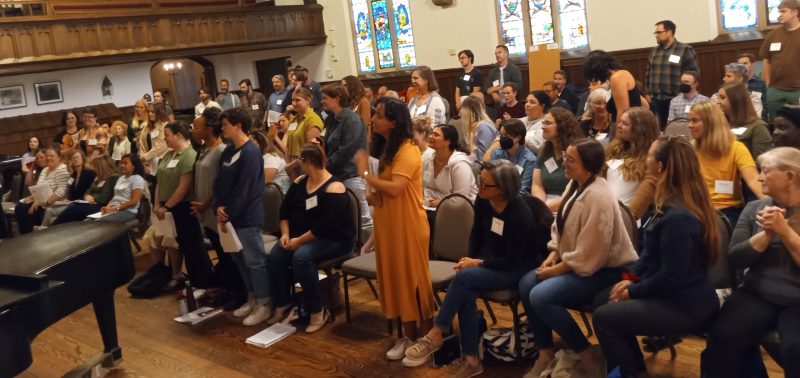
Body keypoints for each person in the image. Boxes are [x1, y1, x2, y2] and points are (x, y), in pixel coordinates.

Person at [405, 160, 548, 377]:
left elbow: (513, 259)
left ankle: (436, 333)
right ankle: (472, 360)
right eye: (479, 179)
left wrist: (478, 264)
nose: (479, 185)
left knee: (464, 279)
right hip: (493, 262)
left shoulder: (519, 214)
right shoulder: (483, 201)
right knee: (466, 288)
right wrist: (471, 258)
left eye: (485, 183)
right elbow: (476, 234)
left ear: (502, 188)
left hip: (518, 268)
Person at [594, 136, 721, 377]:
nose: (646, 160)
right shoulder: (666, 202)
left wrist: (632, 291)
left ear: (660, 167)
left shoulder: (678, 217)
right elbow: (648, 256)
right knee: (604, 298)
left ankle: (628, 372)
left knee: (604, 317)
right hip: (669, 292)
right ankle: (634, 369)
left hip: (686, 304)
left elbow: (672, 278)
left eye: (650, 155)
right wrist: (631, 278)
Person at [519, 138, 638, 378]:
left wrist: (553, 271)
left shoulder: (599, 196)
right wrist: (553, 254)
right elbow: (561, 228)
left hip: (605, 270)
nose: (565, 163)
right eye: (566, 158)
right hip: (578, 263)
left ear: (589, 165)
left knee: (540, 295)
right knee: (526, 283)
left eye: (571, 160)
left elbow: (590, 256)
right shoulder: (575, 184)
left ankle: (585, 353)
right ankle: (545, 353)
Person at [702, 146, 800, 378]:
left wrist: (784, 231)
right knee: (723, 338)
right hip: (757, 294)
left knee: (795, 349)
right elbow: (735, 257)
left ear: (790, 177)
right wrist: (766, 235)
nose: (758, 177)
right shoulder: (754, 208)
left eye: (765, 171)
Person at [354, 97, 435, 366]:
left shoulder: (409, 150)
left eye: (379, 115)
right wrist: (371, 192)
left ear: (394, 121)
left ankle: (424, 340)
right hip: (389, 223)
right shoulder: (390, 148)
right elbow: (382, 187)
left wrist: (365, 175)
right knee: (396, 280)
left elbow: (397, 188)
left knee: (413, 284)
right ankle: (407, 336)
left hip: (409, 225)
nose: (373, 119)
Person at [266, 143, 356, 333]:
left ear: (307, 162)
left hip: (335, 239)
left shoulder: (335, 187)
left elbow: (326, 226)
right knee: (275, 256)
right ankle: (283, 303)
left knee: (302, 257)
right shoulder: (300, 182)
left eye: (300, 161)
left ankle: (317, 310)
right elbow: (285, 211)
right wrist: (285, 234)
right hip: (302, 236)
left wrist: (298, 241)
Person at [214, 108, 270, 326]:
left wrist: (229, 212)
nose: (222, 128)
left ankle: (265, 302)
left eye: (225, 124)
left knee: (254, 261)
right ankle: (252, 297)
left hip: (246, 216)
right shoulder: (228, 151)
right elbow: (218, 183)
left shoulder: (251, 152)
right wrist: (218, 205)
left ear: (238, 125)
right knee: (239, 259)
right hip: (228, 216)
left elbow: (246, 189)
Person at [191, 107, 245, 311]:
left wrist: (206, 204)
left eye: (197, 127)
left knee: (228, 256)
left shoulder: (222, 151)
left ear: (209, 128)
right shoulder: (204, 149)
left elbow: (221, 183)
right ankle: (226, 289)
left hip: (216, 211)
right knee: (222, 256)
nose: (193, 131)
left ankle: (238, 293)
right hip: (205, 212)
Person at [688, 101, 765, 227]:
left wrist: (771, 204)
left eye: (695, 121)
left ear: (710, 123)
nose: (690, 125)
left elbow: (753, 180)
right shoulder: (690, 149)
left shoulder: (737, 148)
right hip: (696, 208)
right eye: (689, 120)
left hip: (727, 211)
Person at [154, 121, 211, 290]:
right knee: (180, 245)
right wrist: (157, 203)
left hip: (181, 207)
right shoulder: (167, 155)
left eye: (167, 135)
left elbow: (184, 186)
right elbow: (159, 182)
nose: (165, 139)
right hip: (166, 207)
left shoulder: (189, 155)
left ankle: (202, 282)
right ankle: (190, 279)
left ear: (178, 135)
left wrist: (167, 207)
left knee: (192, 247)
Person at [320, 83, 372, 240]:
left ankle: (371, 252)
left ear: (337, 98)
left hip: (351, 174)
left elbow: (347, 149)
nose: (321, 101)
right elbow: (327, 143)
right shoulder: (330, 119)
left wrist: (325, 167)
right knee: (344, 216)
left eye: (325, 98)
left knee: (363, 217)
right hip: (336, 174)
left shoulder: (352, 120)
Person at [605, 107, 660, 218]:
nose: (619, 126)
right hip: (604, 209)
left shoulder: (651, 159)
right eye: (620, 122)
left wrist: (626, 218)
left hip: (626, 217)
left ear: (640, 129)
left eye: (625, 124)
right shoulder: (614, 149)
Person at [646, 20, 701, 127]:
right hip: (656, 99)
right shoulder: (654, 51)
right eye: (655, 33)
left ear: (669, 32)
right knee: (659, 129)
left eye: (659, 32)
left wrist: (684, 93)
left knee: (676, 128)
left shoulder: (685, 49)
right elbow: (648, 73)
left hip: (677, 98)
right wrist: (648, 93)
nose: (656, 35)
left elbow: (694, 73)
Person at [532, 108, 584, 212]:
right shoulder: (545, 149)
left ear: (562, 126)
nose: (542, 127)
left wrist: (546, 209)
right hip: (544, 204)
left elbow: (577, 191)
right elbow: (537, 184)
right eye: (543, 122)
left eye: (547, 123)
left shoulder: (578, 152)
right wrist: (541, 206)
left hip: (569, 205)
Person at [760, 0, 800, 120]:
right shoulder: (773, 35)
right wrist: (768, 85)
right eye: (779, 11)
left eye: (784, 11)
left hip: (797, 90)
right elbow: (766, 61)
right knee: (777, 124)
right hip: (775, 90)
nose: (780, 14)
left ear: (795, 12)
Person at [52, 154, 120, 224]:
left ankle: (52, 227)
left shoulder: (112, 178)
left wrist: (93, 197)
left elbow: (104, 197)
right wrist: (87, 196)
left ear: (101, 167)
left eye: (95, 166)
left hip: (101, 206)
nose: (94, 169)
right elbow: (88, 191)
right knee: (72, 208)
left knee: (74, 208)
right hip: (90, 203)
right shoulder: (97, 178)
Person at [422, 124, 477, 209]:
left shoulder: (460, 164)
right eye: (432, 133)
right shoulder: (427, 155)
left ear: (447, 141)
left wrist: (437, 202)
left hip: (462, 210)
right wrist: (431, 200)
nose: (430, 137)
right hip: (432, 206)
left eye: (436, 135)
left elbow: (460, 199)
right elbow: (422, 188)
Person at [15, 148, 69, 234]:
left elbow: (61, 190)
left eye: (52, 156)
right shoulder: (45, 170)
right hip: (41, 200)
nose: (48, 158)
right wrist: (36, 201)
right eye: (47, 156)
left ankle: (31, 235)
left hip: (54, 202)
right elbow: (38, 187)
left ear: (59, 157)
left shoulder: (62, 169)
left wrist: (46, 202)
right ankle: (25, 235)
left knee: (29, 211)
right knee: (20, 207)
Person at [717, 83, 772, 160]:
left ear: (735, 100)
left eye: (722, 98)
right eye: (718, 98)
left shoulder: (758, 127)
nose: (718, 102)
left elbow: (762, 161)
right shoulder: (719, 124)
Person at [584, 50, 642, 122]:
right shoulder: (622, 74)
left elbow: (623, 113)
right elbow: (644, 104)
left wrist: (618, 132)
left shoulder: (617, 77)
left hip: (628, 127)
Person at [42, 149, 96, 226]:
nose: (76, 159)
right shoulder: (73, 175)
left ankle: (42, 231)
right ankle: (43, 231)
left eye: (77, 157)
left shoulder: (89, 173)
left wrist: (72, 201)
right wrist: (68, 199)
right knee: (49, 211)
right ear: (70, 161)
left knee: (50, 212)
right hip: (72, 203)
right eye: (73, 158)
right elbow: (72, 193)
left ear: (82, 158)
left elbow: (90, 191)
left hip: (83, 204)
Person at [486, 119, 537, 196]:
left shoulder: (529, 160)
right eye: (501, 135)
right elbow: (491, 178)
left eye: (506, 135)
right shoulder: (496, 152)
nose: (502, 138)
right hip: (496, 194)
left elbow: (524, 189)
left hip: (517, 198)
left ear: (518, 138)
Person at [95, 154, 145, 224]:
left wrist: (115, 209)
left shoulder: (137, 178)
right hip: (115, 209)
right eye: (121, 163)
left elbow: (134, 201)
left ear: (133, 166)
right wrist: (107, 208)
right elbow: (115, 197)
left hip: (128, 211)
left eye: (125, 163)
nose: (122, 165)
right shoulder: (121, 178)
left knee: (99, 222)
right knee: (88, 220)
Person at [284, 87, 324, 162]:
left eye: (297, 100)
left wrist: (294, 165)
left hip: (305, 162)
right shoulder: (294, 119)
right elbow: (288, 146)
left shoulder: (313, 119)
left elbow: (311, 151)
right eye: (292, 100)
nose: (293, 103)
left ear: (308, 100)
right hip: (291, 162)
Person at [459, 96, 498, 162]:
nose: (460, 112)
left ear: (468, 111)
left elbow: (486, 156)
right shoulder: (472, 127)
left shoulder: (484, 127)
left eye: (462, 108)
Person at [138, 103, 169, 177]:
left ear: (159, 113)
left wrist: (144, 158)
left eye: (152, 112)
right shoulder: (146, 128)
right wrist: (144, 163)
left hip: (163, 161)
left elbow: (161, 146)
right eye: (148, 112)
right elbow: (141, 146)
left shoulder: (165, 125)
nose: (149, 114)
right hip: (148, 163)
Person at [737, 52, 767, 118]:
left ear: (752, 64)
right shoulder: (735, 84)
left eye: (745, 63)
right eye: (739, 64)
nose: (742, 66)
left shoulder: (761, 83)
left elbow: (765, 105)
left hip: (757, 117)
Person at [521, 90, 552, 154]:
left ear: (542, 106)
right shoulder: (519, 121)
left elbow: (538, 146)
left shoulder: (546, 123)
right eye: (526, 102)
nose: (527, 105)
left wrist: (516, 140)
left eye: (532, 102)